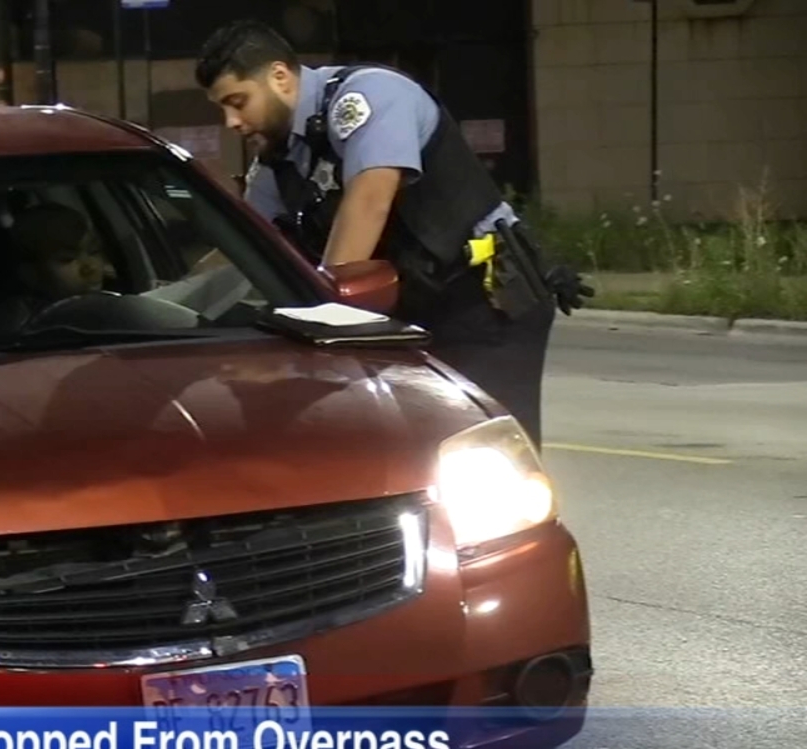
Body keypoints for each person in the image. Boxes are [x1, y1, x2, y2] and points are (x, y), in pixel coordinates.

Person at [194, 20, 591, 447]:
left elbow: (369, 201)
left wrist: (326, 315)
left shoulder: (369, 97)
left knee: (486, 452)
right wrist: (165, 302)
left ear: (279, 76)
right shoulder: (280, 161)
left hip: (481, 302)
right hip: (404, 315)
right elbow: (244, 250)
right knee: (413, 458)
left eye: (238, 102)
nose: (231, 121)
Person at [0, 202, 113, 339]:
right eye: (67, 259)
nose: (90, 267)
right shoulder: (15, 323)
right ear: (30, 273)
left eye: (94, 251)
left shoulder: (114, 306)